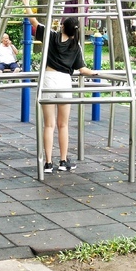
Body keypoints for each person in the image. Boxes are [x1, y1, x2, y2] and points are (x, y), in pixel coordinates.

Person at [27, 12, 98, 173]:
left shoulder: (51, 36)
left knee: (49, 124)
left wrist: (26, 2)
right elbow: (82, 69)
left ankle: (48, 163)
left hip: (48, 79)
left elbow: (33, 20)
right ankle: (63, 160)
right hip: (64, 81)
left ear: (62, 26)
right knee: (63, 124)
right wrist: (93, 73)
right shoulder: (76, 45)